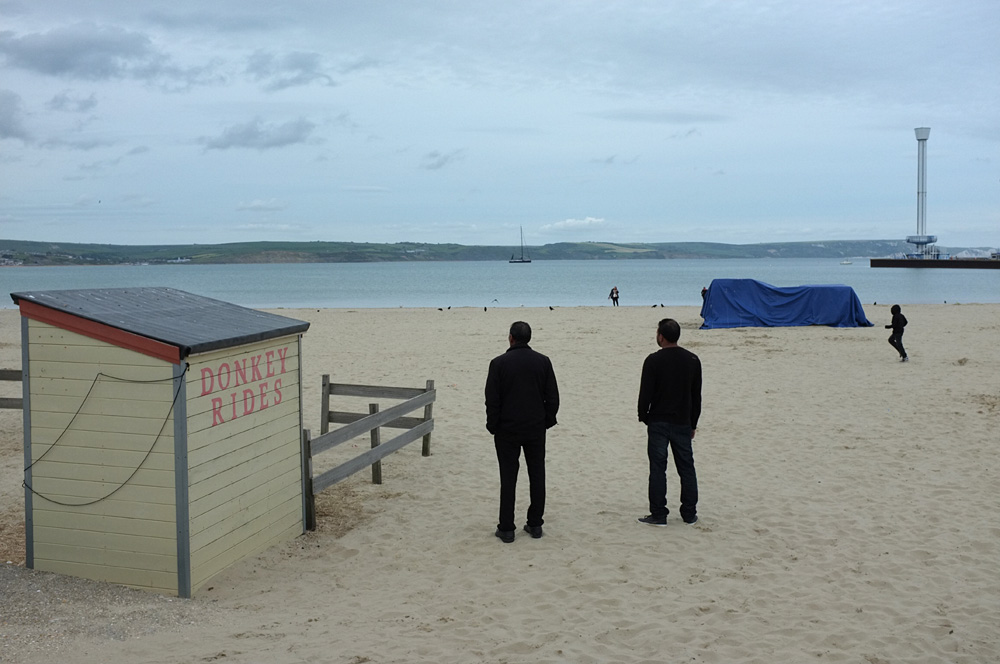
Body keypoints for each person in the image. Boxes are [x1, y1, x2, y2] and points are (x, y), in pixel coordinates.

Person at [485, 321, 560, 542]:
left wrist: (493, 425)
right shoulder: (543, 362)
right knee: (537, 474)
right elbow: (553, 397)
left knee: (508, 477)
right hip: (534, 428)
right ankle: (535, 524)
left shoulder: (498, 363)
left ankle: (507, 527)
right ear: (529, 338)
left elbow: (492, 399)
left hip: (507, 429)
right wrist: (546, 420)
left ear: (511, 338)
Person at [636, 318, 701, 526]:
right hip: (682, 420)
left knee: (658, 467)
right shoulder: (692, 359)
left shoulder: (653, 361)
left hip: (659, 421)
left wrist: (643, 415)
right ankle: (689, 513)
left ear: (661, 336)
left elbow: (645, 393)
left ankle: (659, 513)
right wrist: (693, 423)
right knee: (686, 467)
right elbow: (696, 396)